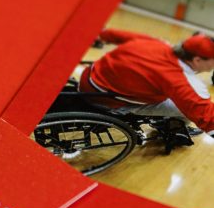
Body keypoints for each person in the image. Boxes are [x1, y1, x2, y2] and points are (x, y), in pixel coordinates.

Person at [81, 28, 214, 134]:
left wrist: (100, 35)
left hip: (89, 78)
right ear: (197, 60)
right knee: (184, 109)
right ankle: (174, 128)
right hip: (105, 100)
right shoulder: (179, 79)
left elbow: (112, 34)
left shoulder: (158, 43)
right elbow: (207, 118)